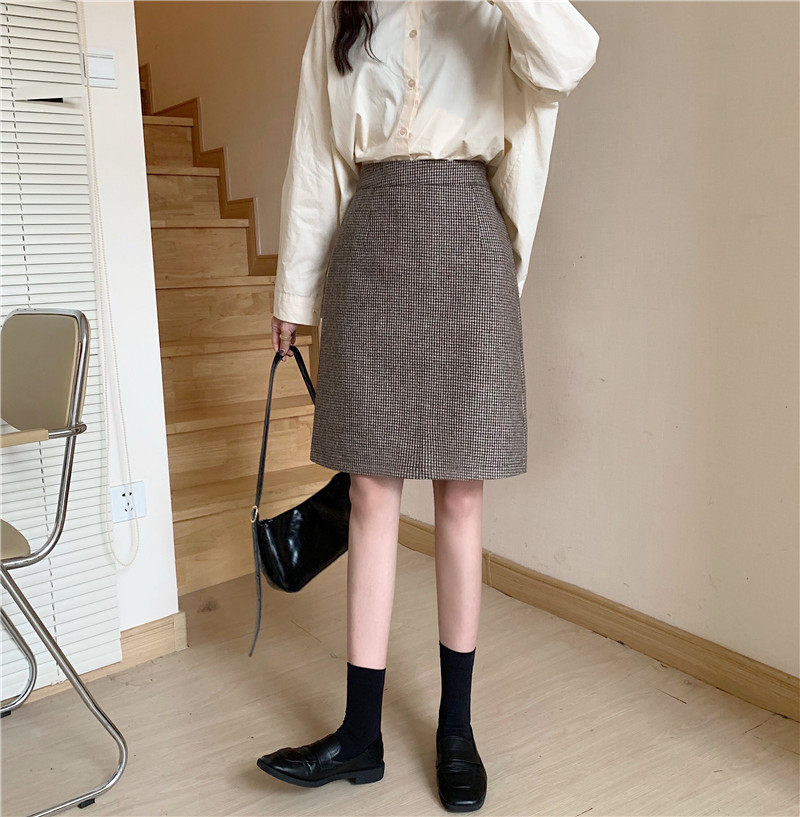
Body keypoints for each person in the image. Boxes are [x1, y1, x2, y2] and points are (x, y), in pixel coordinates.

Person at [258, 0, 599, 811]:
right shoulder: (341, 9)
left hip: (466, 243)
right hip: (371, 241)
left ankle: (456, 730)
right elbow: (315, 150)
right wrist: (293, 293)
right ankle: (360, 734)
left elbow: (569, 58)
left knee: (460, 497)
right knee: (370, 494)